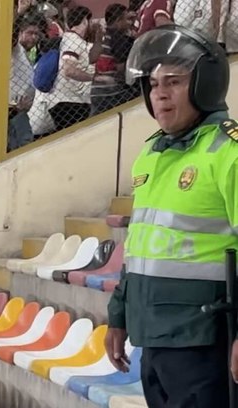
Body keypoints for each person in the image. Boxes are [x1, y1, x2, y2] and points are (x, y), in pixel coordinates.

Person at [105, 25, 235, 408]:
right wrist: (118, 315)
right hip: (153, 336)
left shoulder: (229, 153)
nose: (159, 93)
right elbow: (141, 247)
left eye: (174, 82)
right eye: (153, 83)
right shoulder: (152, 153)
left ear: (205, 86)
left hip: (204, 341)